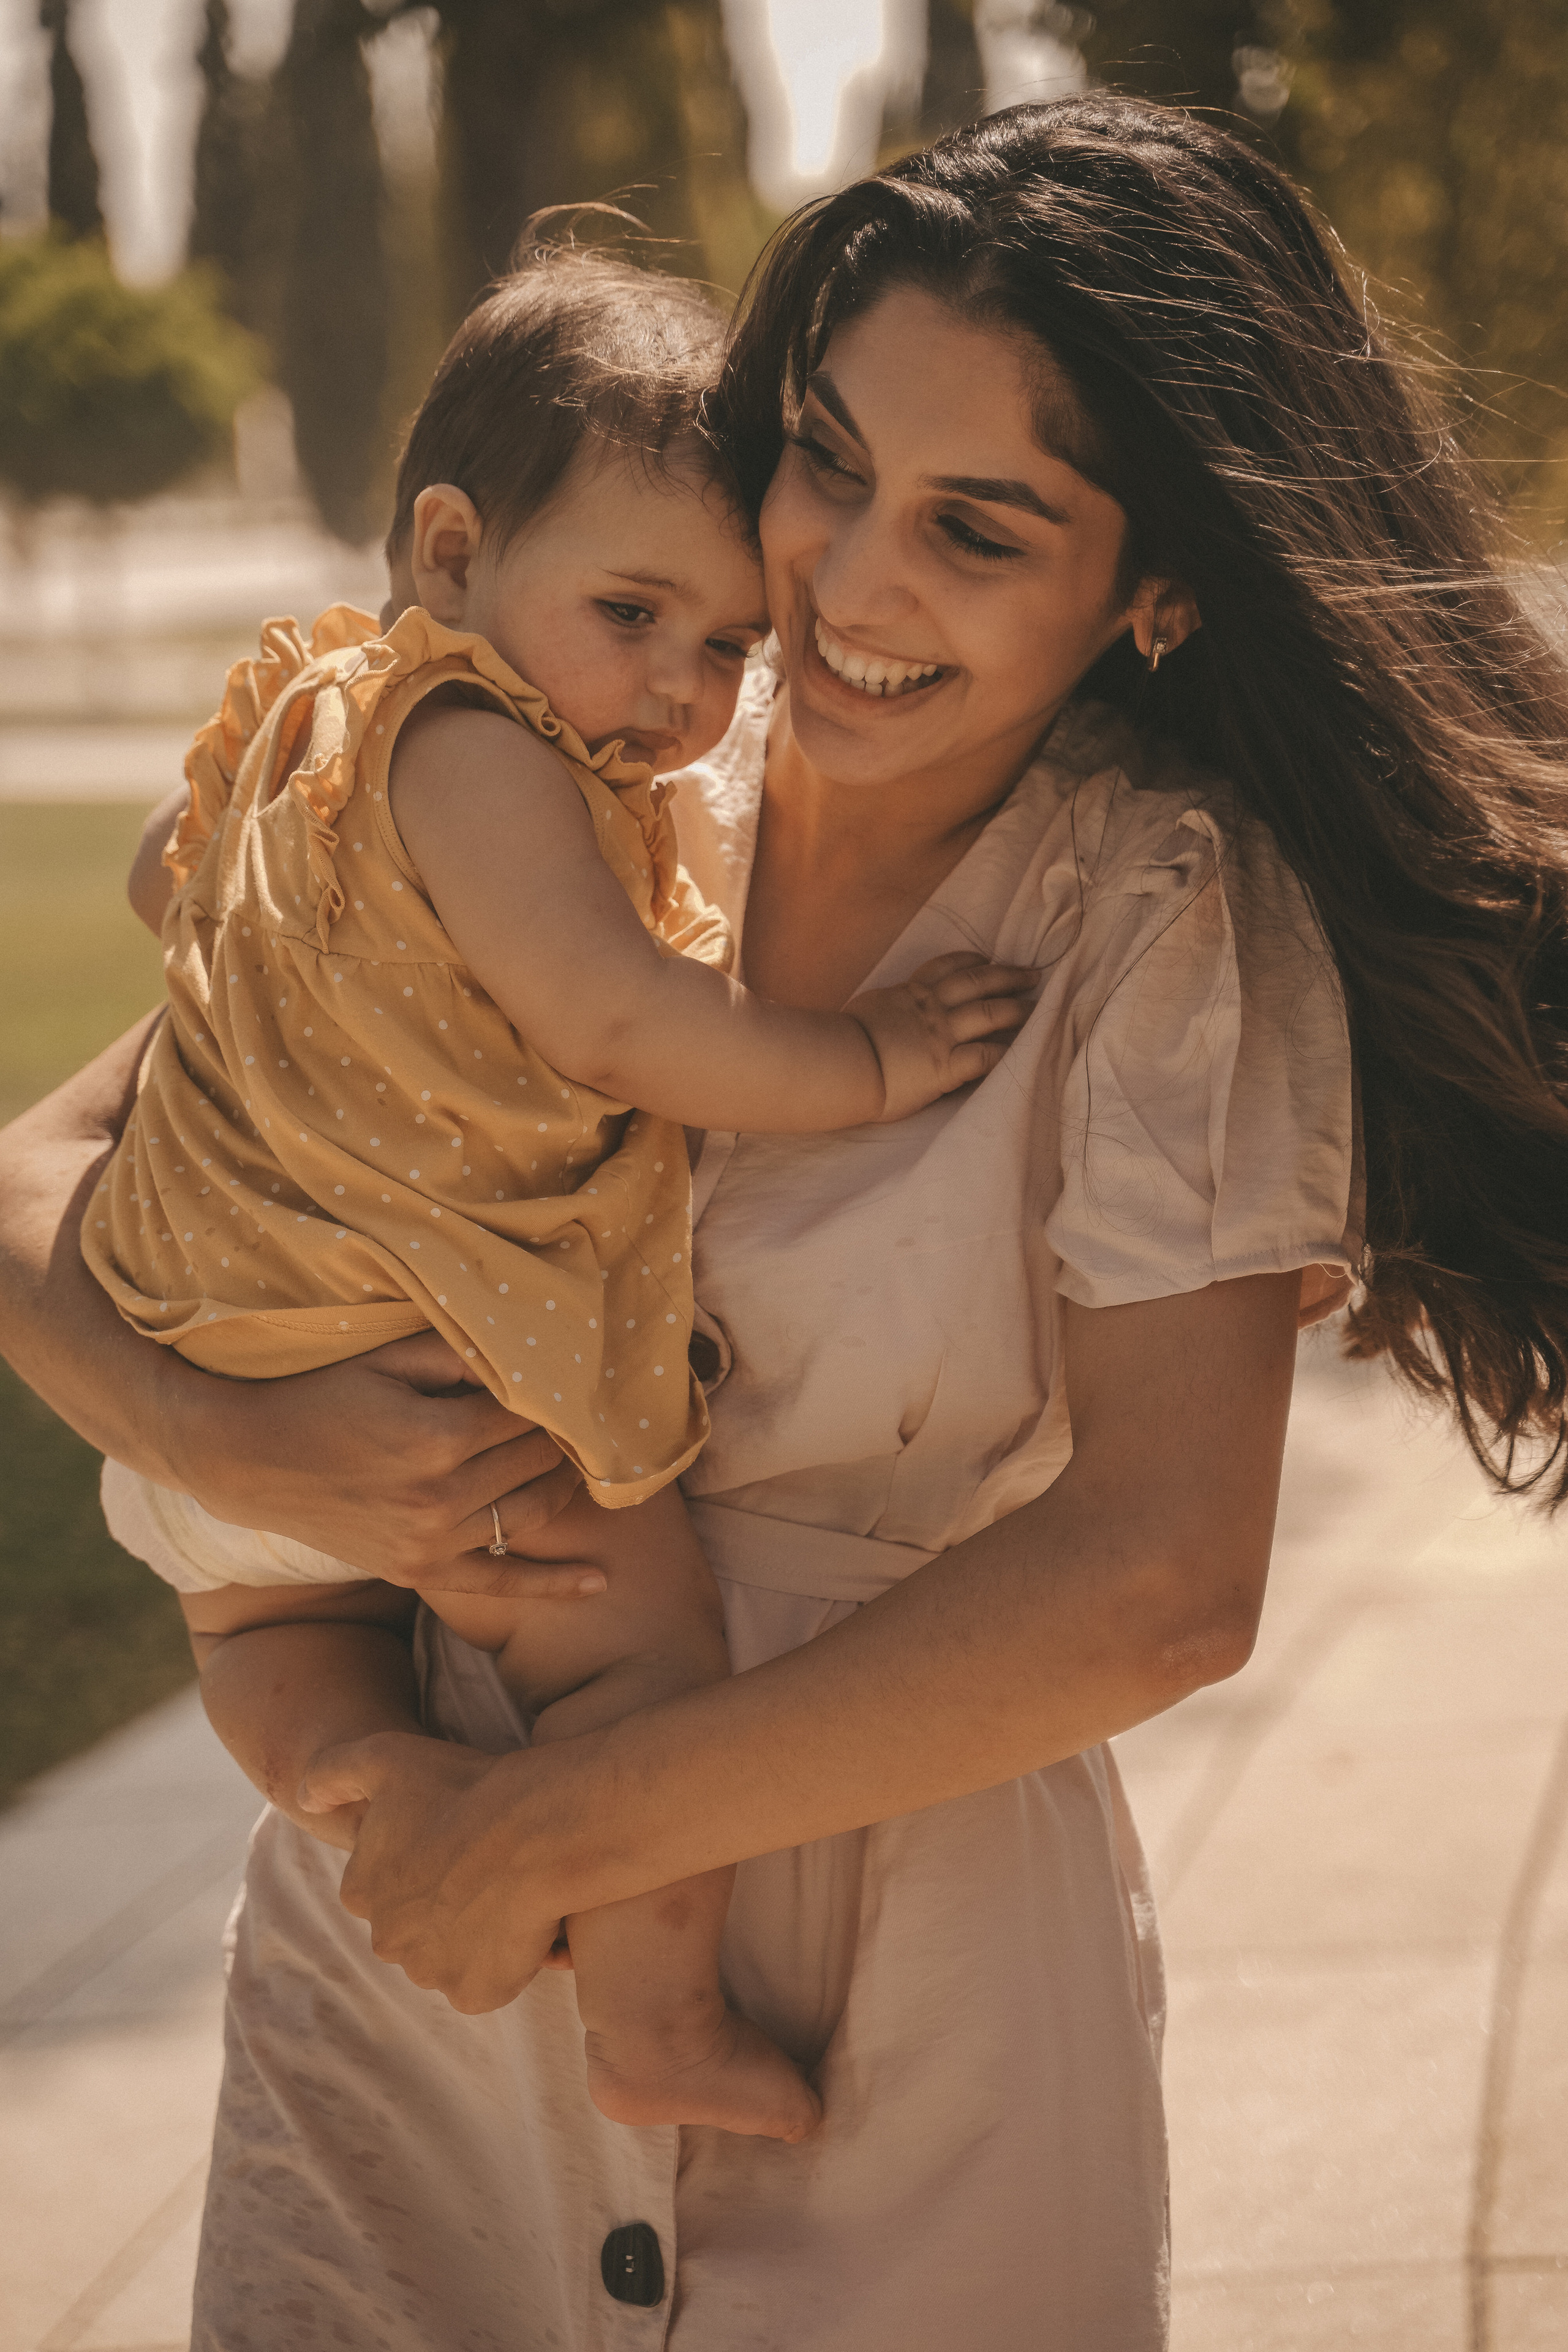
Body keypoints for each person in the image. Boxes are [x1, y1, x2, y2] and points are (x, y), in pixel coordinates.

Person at [3, 94, 1566, 2350]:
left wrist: (562, 1834)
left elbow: (1158, 1581)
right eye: (824, 456)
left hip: (893, 2025)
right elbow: (41, 1187)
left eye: (979, 527)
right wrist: (231, 1449)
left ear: (1157, 589)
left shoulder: (1163, 923)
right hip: (414, 1966)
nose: (843, 578)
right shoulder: (569, 760)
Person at [85, 245, 1029, 2149]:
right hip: (410, 1369)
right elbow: (613, 1022)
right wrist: (866, 1063)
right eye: (634, 614)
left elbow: (157, 880)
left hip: (206, 1375)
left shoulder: (315, 715)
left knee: (275, 1638)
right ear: (448, 553)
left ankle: (365, 1778)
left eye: (729, 648)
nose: (682, 690)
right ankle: (660, 2013)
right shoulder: (480, 745)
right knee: (641, 1634)